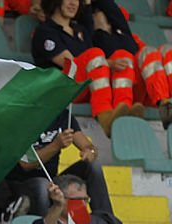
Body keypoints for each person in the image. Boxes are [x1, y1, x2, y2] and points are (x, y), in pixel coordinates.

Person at [32, 0, 131, 136]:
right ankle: (105, 117)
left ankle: (123, 110)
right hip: (62, 88)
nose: (74, 3)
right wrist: (108, 63)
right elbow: (70, 64)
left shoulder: (80, 30)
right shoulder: (44, 31)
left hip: (84, 86)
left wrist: (110, 63)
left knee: (123, 56)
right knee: (96, 54)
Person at [90, 0, 172, 129]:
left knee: (163, 50)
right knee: (123, 56)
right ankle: (122, 110)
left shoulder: (127, 36)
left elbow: (112, 10)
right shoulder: (90, 39)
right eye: (96, 12)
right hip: (115, 89)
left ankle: (165, 104)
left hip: (143, 89)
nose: (100, 14)